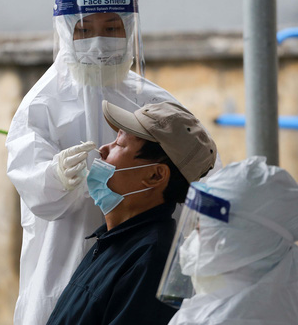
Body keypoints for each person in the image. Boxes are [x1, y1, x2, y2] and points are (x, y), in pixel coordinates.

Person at [5, 0, 181, 325]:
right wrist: (55, 177)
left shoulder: (154, 101)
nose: (100, 40)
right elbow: (34, 188)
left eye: (112, 27)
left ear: (129, 27)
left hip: (139, 261)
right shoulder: (42, 104)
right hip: (63, 263)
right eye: (84, 29)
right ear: (65, 30)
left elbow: (198, 172)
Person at [45, 100, 217, 325]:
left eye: (120, 144)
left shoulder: (153, 263)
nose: (103, 149)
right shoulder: (116, 242)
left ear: (155, 175)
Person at [158, 156, 298, 325]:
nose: (196, 231)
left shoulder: (232, 317)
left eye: (208, 224)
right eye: (198, 220)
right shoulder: (293, 303)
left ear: (246, 238)